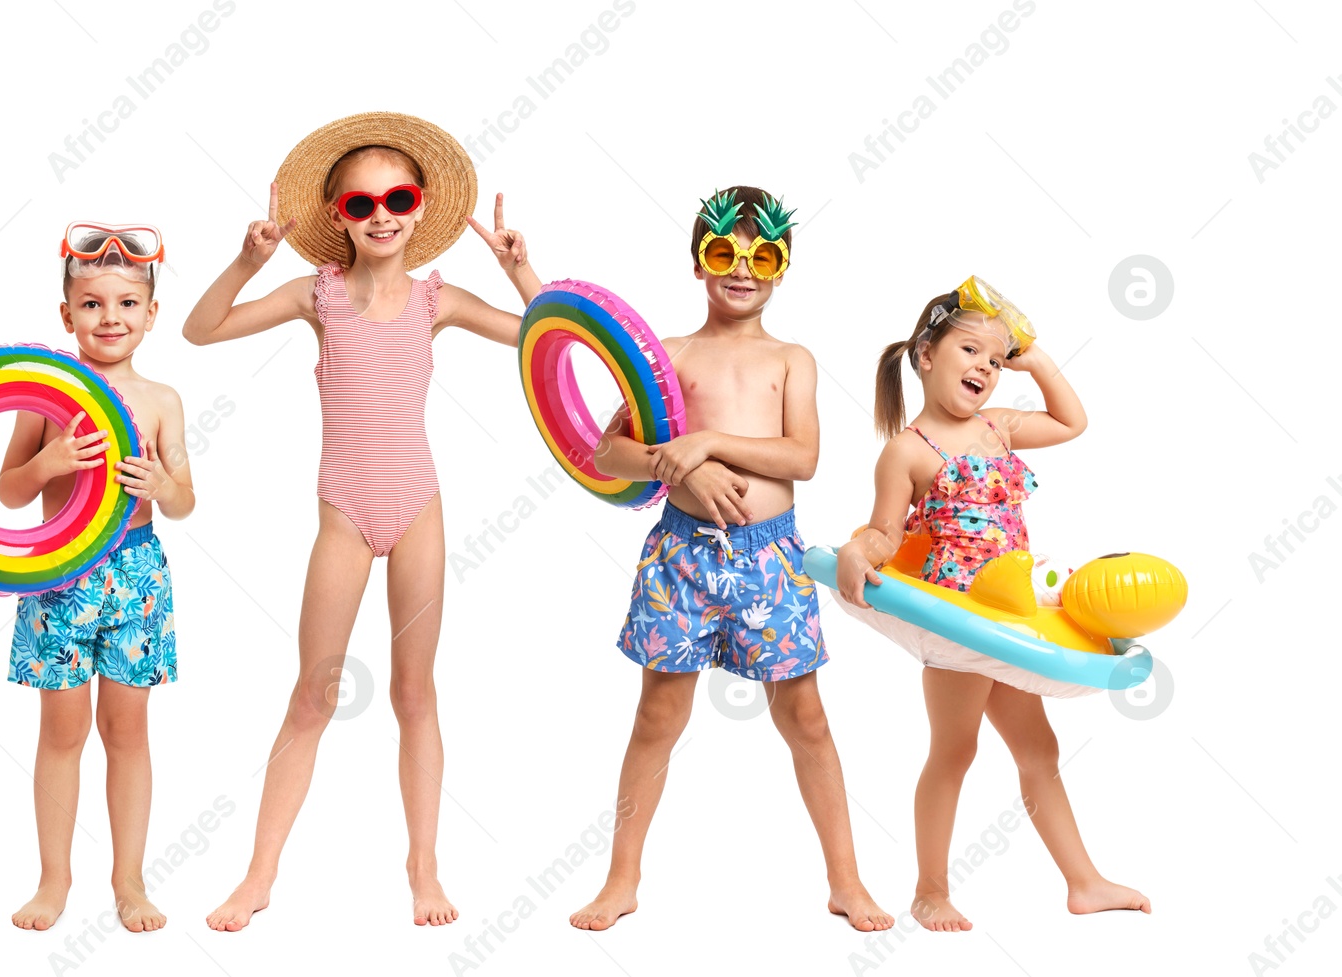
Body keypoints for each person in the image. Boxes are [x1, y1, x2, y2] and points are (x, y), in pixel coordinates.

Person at [181, 112, 539, 930]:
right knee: (312, 694)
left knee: (415, 692)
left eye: (397, 197)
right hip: (343, 513)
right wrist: (246, 260)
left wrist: (522, 270)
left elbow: (545, 337)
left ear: (419, 209)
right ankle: (258, 874)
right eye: (360, 203)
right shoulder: (319, 295)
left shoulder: (436, 299)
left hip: (418, 508)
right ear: (338, 216)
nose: (381, 214)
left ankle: (424, 864)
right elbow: (200, 331)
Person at [567, 187, 892, 933]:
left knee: (806, 717)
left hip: (769, 561)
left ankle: (846, 881)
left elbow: (801, 456)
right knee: (657, 714)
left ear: (781, 269)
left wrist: (707, 445)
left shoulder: (792, 360)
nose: (741, 270)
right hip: (682, 557)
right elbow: (607, 448)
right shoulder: (668, 356)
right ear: (697, 263)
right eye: (724, 254)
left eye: (761, 257)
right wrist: (678, 467)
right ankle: (622, 877)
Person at [833, 285, 1150, 931]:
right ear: (926, 355)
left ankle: (1084, 883)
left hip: (1009, 619)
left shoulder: (998, 426)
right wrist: (854, 547)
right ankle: (929, 890)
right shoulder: (909, 449)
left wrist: (1033, 358)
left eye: (995, 359)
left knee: (1040, 750)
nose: (983, 365)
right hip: (957, 620)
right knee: (955, 750)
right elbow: (885, 532)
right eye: (969, 348)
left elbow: (1071, 422)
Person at [0, 222, 196, 932]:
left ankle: (131, 881)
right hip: (61, 574)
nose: (109, 317)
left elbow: (186, 498)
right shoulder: (43, 393)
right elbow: (9, 492)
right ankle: (53, 880)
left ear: (150, 314)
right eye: (91, 304)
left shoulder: (162, 399)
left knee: (128, 731)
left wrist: (161, 484)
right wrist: (49, 465)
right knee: (62, 731)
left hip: (138, 573)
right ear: (67, 315)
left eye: (125, 303)